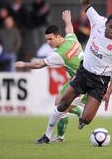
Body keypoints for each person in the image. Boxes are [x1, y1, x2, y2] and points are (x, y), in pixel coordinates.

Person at [36, 0, 112, 143]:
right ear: (106, 23)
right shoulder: (97, 21)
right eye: (110, 27)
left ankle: (82, 118)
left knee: (86, 119)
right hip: (84, 73)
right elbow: (84, 3)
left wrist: (109, 92)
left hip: (100, 82)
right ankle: (47, 135)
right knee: (61, 103)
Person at [15, 10, 85, 143]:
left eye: (50, 39)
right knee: (58, 102)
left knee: (61, 108)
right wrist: (68, 20)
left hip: (83, 84)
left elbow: (39, 64)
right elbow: (69, 29)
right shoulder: (71, 39)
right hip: (75, 79)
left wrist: (24, 64)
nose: (48, 42)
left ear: (59, 37)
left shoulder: (59, 54)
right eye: (46, 39)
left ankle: (54, 134)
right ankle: (62, 132)